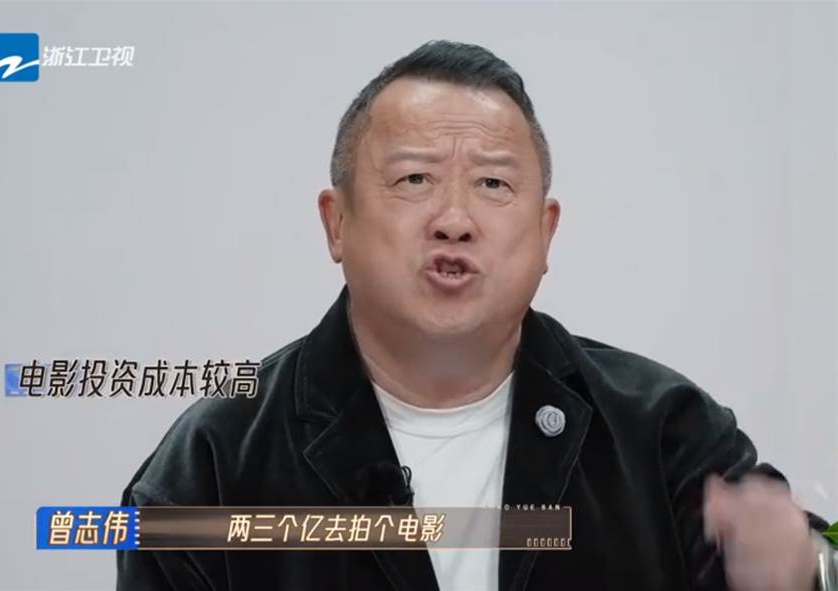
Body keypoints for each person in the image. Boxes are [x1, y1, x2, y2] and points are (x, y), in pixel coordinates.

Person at [116, 40, 835, 591]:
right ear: (336, 223)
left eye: (493, 183)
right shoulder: (213, 465)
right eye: (414, 178)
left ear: (546, 233)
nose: (454, 220)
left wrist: (805, 575)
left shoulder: (663, 431)